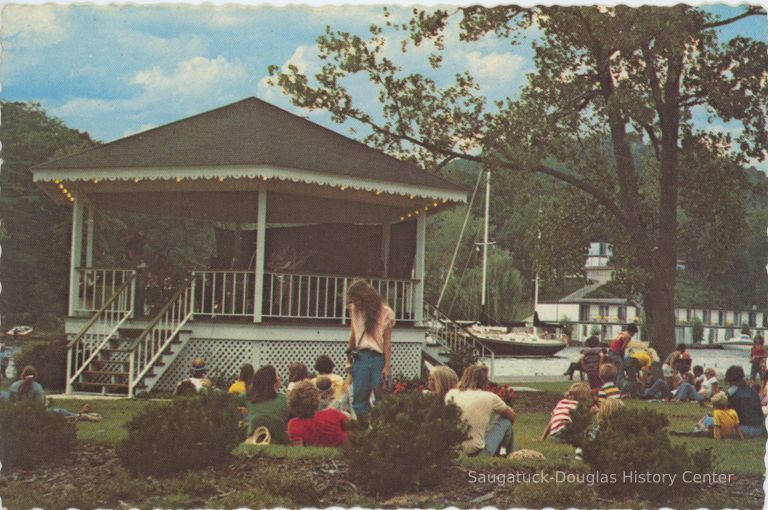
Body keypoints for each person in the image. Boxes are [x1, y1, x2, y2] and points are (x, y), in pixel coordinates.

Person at [346, 280, 394, 420]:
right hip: (360, 356)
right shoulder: (354, 310)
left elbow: (387, 342)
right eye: (352, 300)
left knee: (380, 393)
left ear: (365, 297)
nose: (355, 303)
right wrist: (348, 360)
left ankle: (381, 428)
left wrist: (387, 365)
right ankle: (363, 429)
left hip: (378, 357)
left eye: (357, 299)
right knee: (359, 397)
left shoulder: (386, 313)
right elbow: (353, 336)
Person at [445, 364, 516, 456]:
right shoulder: (489, 396)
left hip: (454, 451)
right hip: (477, 453)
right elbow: (512, 416)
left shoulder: (451, 394)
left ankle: (502, 454)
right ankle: (510, 454)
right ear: (485, 380)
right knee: (505, 421)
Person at [287, 380, 348, 446]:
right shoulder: (333, 414)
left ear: (293, 403)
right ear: (316, 398)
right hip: (343, 454)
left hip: (315, 455)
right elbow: (353, 428)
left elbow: (298, 452)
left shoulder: (294, 424)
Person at [244, 365, 290, 442]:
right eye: (277, 375)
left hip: (253, 439)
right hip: (278, 441)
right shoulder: (284, 399)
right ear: (273, 381)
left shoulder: (249, 398)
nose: (279, 377)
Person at [724, 365, 765, 437]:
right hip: (758, 429)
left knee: (710, 420)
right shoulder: (753, 392)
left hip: (742, 428)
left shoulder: (733, 394)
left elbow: (727, 415)